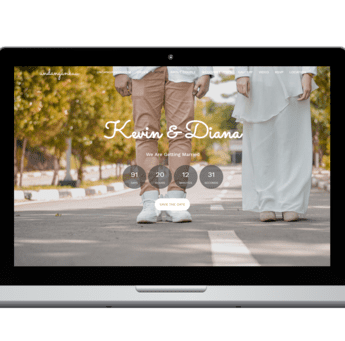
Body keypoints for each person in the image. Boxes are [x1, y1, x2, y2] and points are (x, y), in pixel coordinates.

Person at [113, 66, 214, 224]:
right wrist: (120, 70)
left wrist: (205, 71)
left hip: (183, 73)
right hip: (143, 72)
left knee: (181, 135)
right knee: (145, 135)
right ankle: (150, 202)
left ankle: (176, 201)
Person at [233, 66, 318, 222]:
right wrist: (241, 73)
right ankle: (266, 202)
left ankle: (291, 203)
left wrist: (308, 73)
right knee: (261, 146)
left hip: (293, 77)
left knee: (292, 144)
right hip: (259, 79)